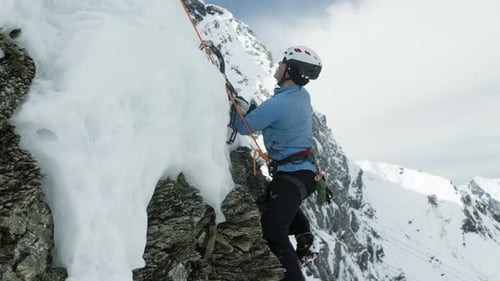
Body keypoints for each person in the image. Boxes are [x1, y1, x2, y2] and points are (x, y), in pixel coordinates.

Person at [233, 46, 322, 281]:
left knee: (273, 231)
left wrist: (236, 110)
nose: (278, 64)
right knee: (276, 197)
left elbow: (243, 126)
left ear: (291, 70)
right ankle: (305, 237)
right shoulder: (300, 97)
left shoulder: (280, 103)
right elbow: (273, 118)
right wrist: (252, 111)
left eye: (283, 62)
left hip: (292, 176)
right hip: (302, 174)